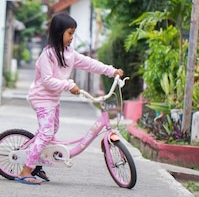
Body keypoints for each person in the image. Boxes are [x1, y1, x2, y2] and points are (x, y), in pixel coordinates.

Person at [16, 13, 124, 185]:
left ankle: (37, 160)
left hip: (52, 99)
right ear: (59, 33)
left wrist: (111, 71)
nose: (72, 38)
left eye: (73, 33)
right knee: (46, 133)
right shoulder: (48, 55)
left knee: (52, 130)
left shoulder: (69, 53)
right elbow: (47, 80)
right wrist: (68, 85)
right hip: (41, 98)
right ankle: (25, 170)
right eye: (70, 33)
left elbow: (89, 63)